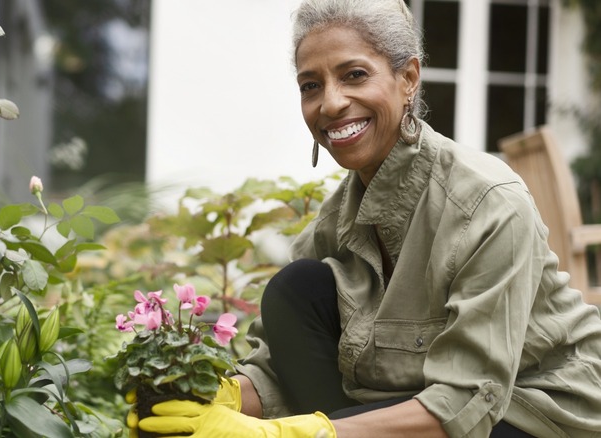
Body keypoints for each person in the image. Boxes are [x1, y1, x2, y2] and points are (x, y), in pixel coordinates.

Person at [131, 0, 601, 436]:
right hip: (427, 400)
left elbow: (468, 400)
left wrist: (298, 433)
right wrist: (214, 398)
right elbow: (276, 370)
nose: (330, 103)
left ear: (409, 79)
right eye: (311, 85)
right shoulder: (341, 212)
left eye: (354, 75)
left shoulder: (487, 202)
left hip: (534, 406)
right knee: (297, 288)